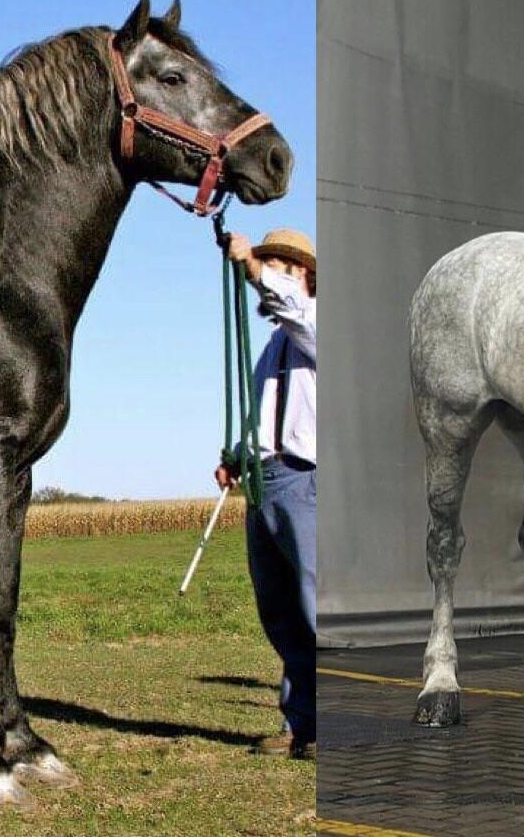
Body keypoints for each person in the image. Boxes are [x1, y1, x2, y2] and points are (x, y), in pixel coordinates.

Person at [213, 228, 317, 761]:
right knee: (279, 610)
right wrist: (237, 455)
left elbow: (291, 304)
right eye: (270, 263)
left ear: (305, 277)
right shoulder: (273, 344)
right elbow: (264, 418)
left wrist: (253, 266)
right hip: (266, 480)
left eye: (285, 266)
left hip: (306, 479)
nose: (274, 273)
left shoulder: (318, 323)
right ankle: (300, 725)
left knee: (312, 604)